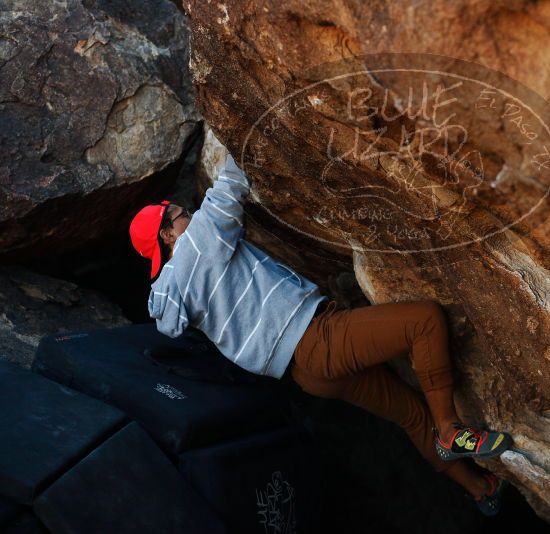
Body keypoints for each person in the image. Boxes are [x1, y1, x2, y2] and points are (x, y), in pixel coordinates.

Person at [129, 154, 513, 515]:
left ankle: (481, 490)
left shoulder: (174, 290)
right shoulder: (195, 246)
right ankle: (449, 431)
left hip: (307, 376)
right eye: (181, 215)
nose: (190, 215)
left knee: (412, 415)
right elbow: (230, 186)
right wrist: (239, 129)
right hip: (317, 339)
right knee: (424, 321)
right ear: (167, 234)